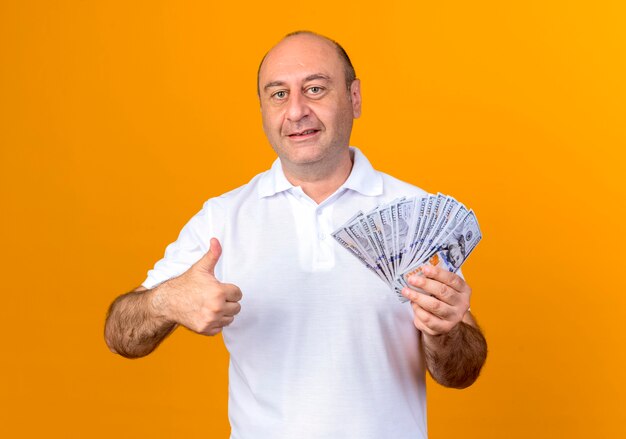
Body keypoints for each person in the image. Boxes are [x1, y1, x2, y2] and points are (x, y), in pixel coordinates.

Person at [104, 31, 487, 439]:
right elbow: (121, 336)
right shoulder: (223, 217)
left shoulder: (413, 213)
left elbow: (460, 373)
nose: (296, 111)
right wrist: (166, 300)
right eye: (278, 95)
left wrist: (445, 330)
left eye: (316, 89)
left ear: (354, 98)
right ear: (264, 110)